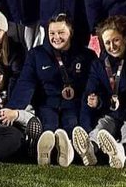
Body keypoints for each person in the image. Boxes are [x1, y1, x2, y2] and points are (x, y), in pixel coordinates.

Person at [7, 13, 93, 167]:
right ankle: (46, 151)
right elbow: (26, 82)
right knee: (48, 126)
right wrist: (13, 109)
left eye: (61, 33)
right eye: (52, 33)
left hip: (73, 104)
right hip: (48, 103)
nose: (56, 37)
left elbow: (92, 83)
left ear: (70, 33)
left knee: (71, 125)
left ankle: (67, 151)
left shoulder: (85, 55)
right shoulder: (36, 54)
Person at [73, 15, 126, 169]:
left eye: (116, 40)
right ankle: (90, 149)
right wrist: (96, 101)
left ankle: (121, 152)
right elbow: (91, 89)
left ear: (125, 39)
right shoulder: (98, 65)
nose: (112, 46)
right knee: (101, 127)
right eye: (107, 43)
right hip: (110, 114)